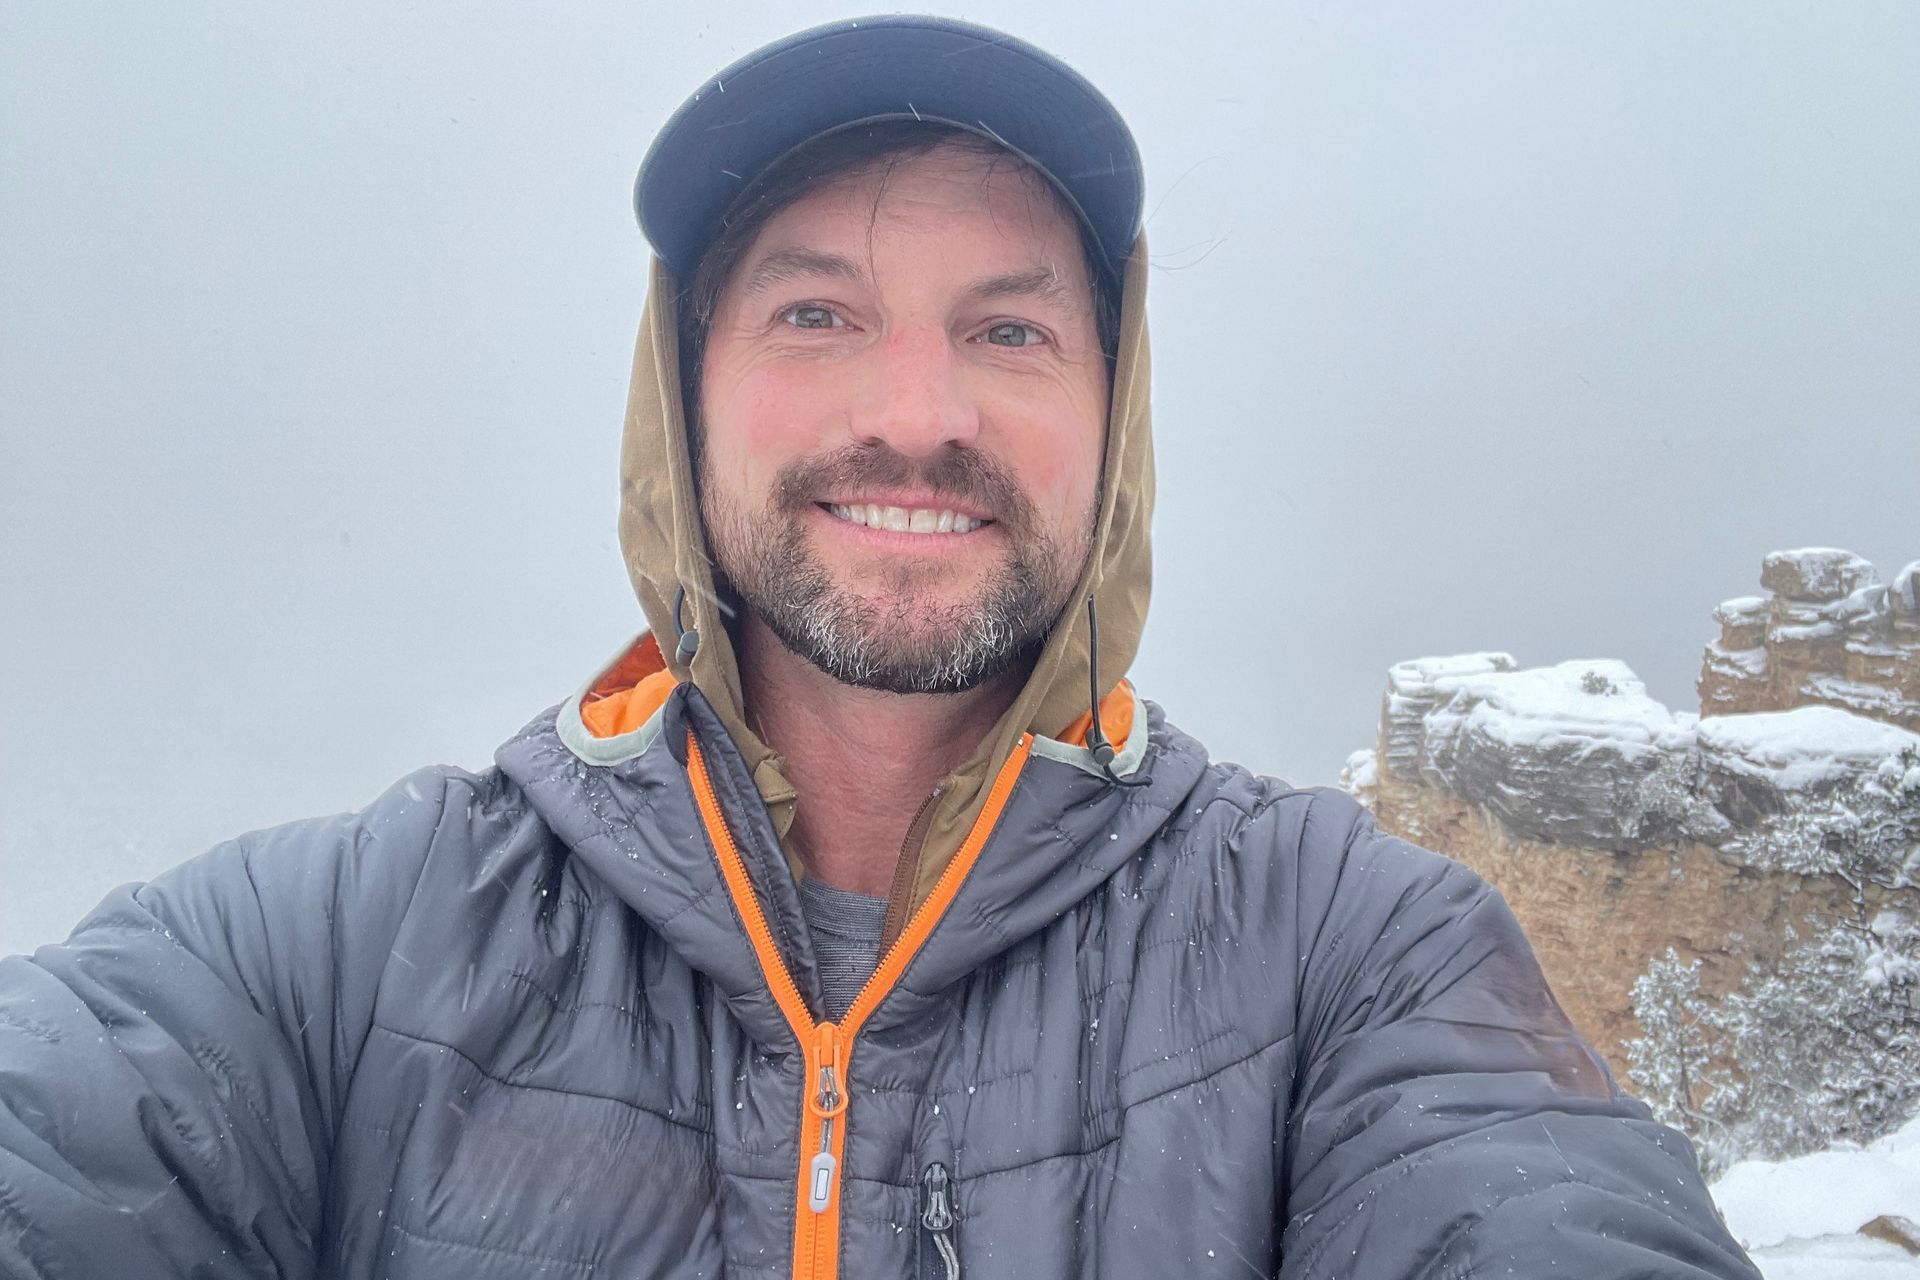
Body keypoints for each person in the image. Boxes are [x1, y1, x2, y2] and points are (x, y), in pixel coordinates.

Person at [0, 16, 1757, 1279]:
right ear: (679, 403)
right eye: (815, 310)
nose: (916, 415)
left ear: (1113, 414)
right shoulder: (341, 952)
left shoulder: (1352, 956)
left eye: (1008, 325)